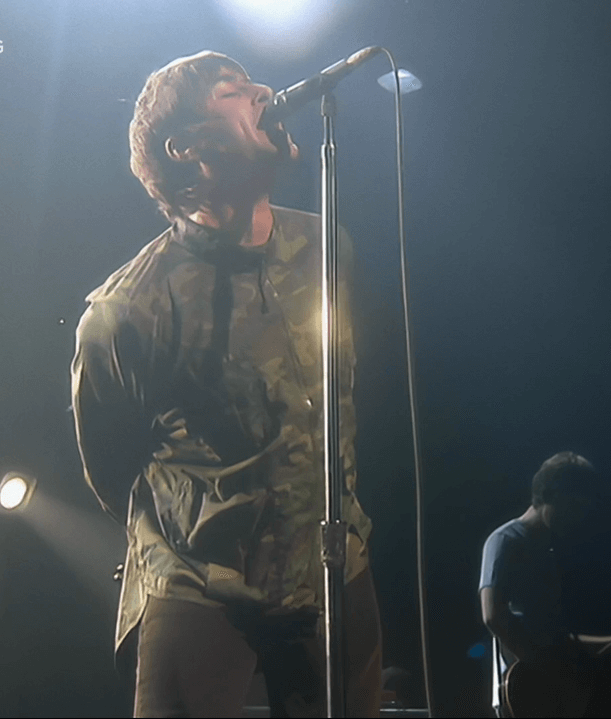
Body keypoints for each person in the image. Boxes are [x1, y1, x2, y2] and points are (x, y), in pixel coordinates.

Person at [70, 51, 381, 718]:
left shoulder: (328, 247)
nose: (265, 92)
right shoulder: (127, 310)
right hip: (204, 592)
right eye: (235, 91)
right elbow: (112, 473)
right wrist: (209, 565)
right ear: (186, 147)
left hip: (333, 573)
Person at [479, 452, 611, 718]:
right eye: (572, 507)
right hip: (528, 695)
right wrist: (548, 671)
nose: (577, 517)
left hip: (555, 695)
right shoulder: (505, 541)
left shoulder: (547, 552)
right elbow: (493, 617)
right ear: (549, 495)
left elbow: (559, 641)